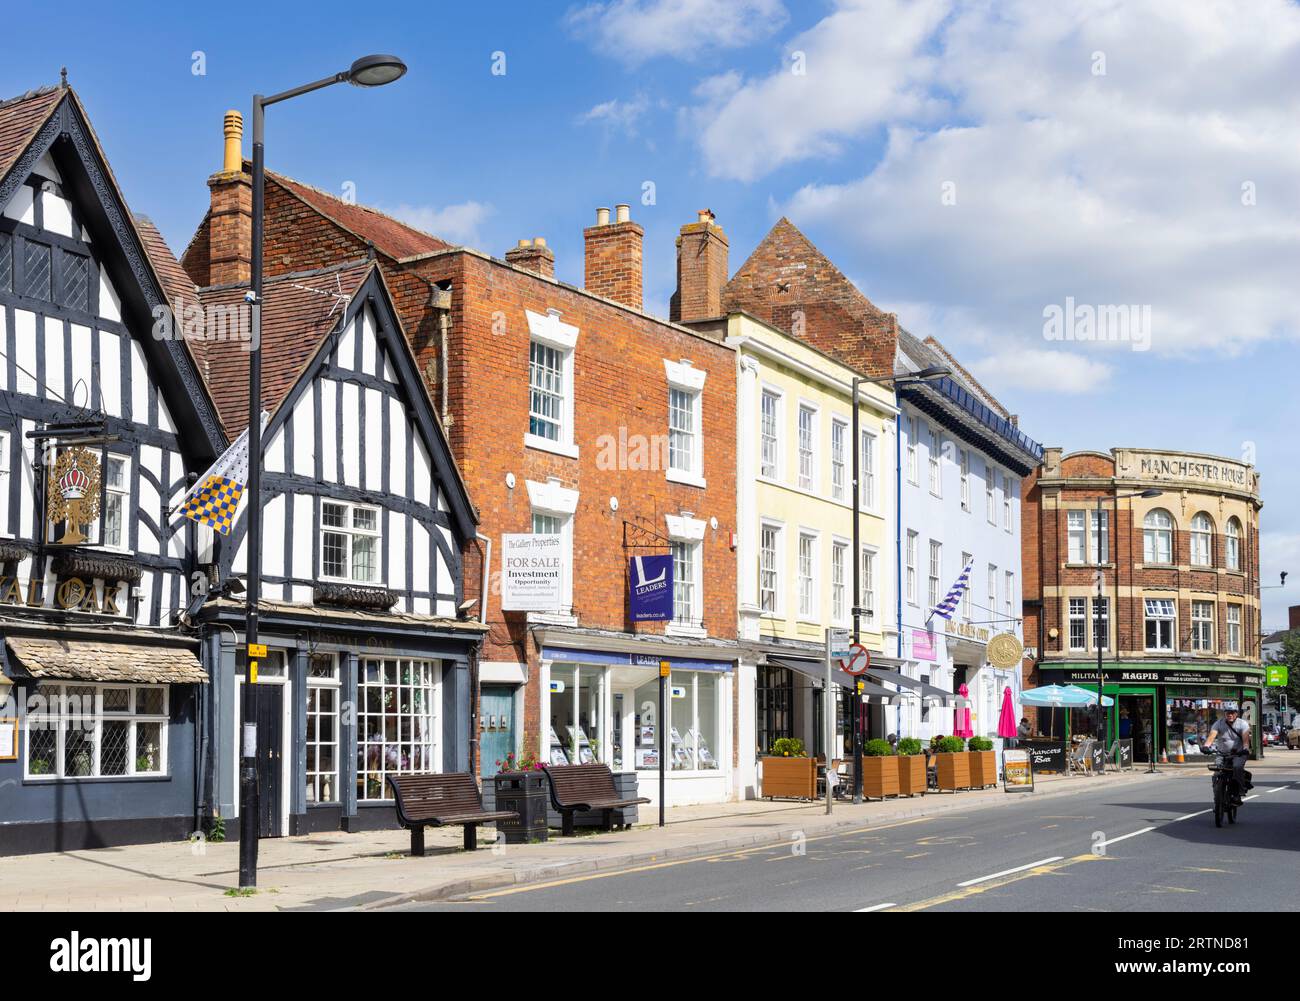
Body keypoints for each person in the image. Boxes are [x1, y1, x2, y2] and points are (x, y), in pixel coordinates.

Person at [1202, 706, 1252, 805]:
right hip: (1222, 753)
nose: (1230, 715)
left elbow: (1245, 739)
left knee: (1236, 767)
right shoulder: (1219, 723)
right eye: (1228, 713)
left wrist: (1245, 748)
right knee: (1216, 771)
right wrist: (1206, 746)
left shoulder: (1243, 724)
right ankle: (1217, 794)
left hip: (1238, 754)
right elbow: (1212, 736)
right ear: (1224, 713)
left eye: (1232, 712)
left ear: (1236, 714)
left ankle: (1238, 793)